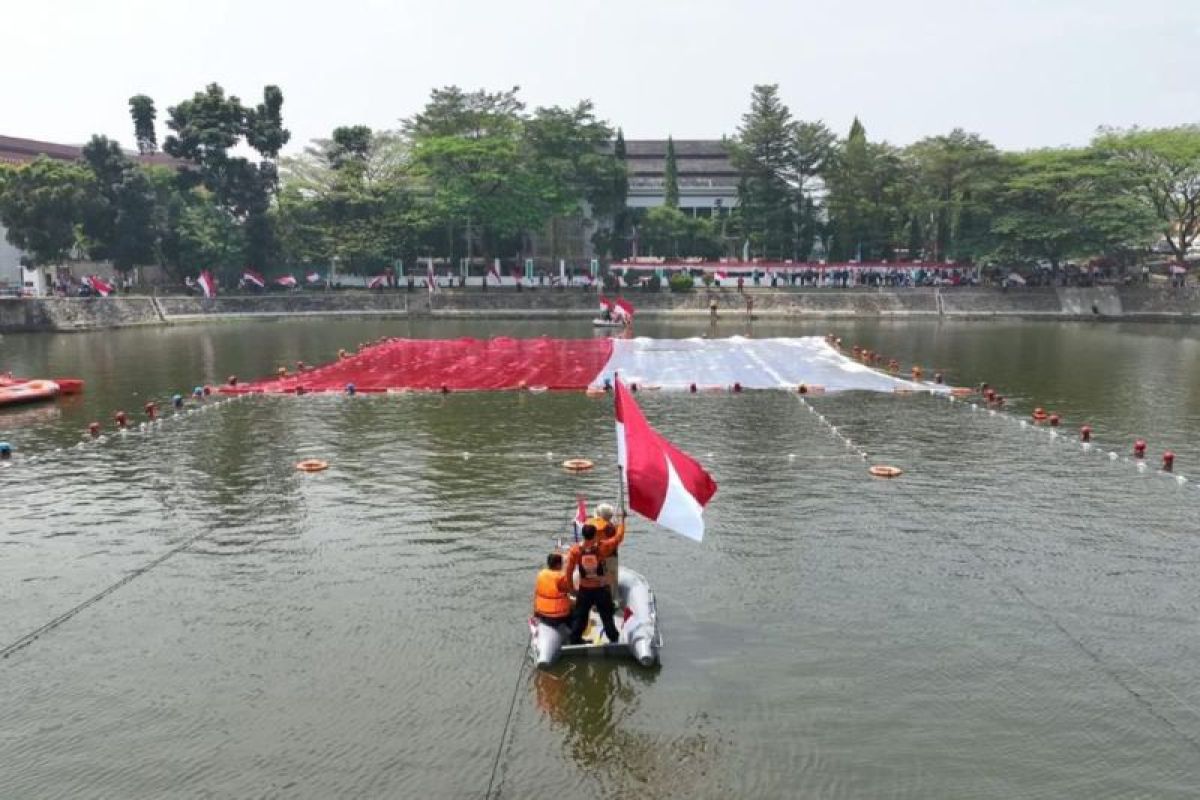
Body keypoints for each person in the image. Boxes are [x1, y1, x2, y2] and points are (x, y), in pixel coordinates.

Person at [565, 519, 625, 645]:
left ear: (583, 534)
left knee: (580, 616)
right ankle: (613, 638)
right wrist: (621, 524)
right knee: (606, 616)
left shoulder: (575, 550)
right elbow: (618, 538)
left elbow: (569, 571)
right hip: (601, 589)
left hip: (584, 589)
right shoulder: (602, 547)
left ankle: (575, 639)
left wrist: (571, 588)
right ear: (595, 535)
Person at [532, 552, 574, 630]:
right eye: (562, 563)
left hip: (541, 613)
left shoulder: (541, 574)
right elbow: (571, 590)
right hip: (558, 616)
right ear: (558, 565)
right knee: (578, 607)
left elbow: (536, 594)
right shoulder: (560, 577)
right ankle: (574, 635)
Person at [588, 503, 621, 596]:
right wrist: (621, 522)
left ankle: (596, 600)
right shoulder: (611, 527)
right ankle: (613, 599)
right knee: (611, 582)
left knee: (596, 580)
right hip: (610, 557)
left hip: (595, 557)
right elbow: (618, 538)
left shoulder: (592, 525)